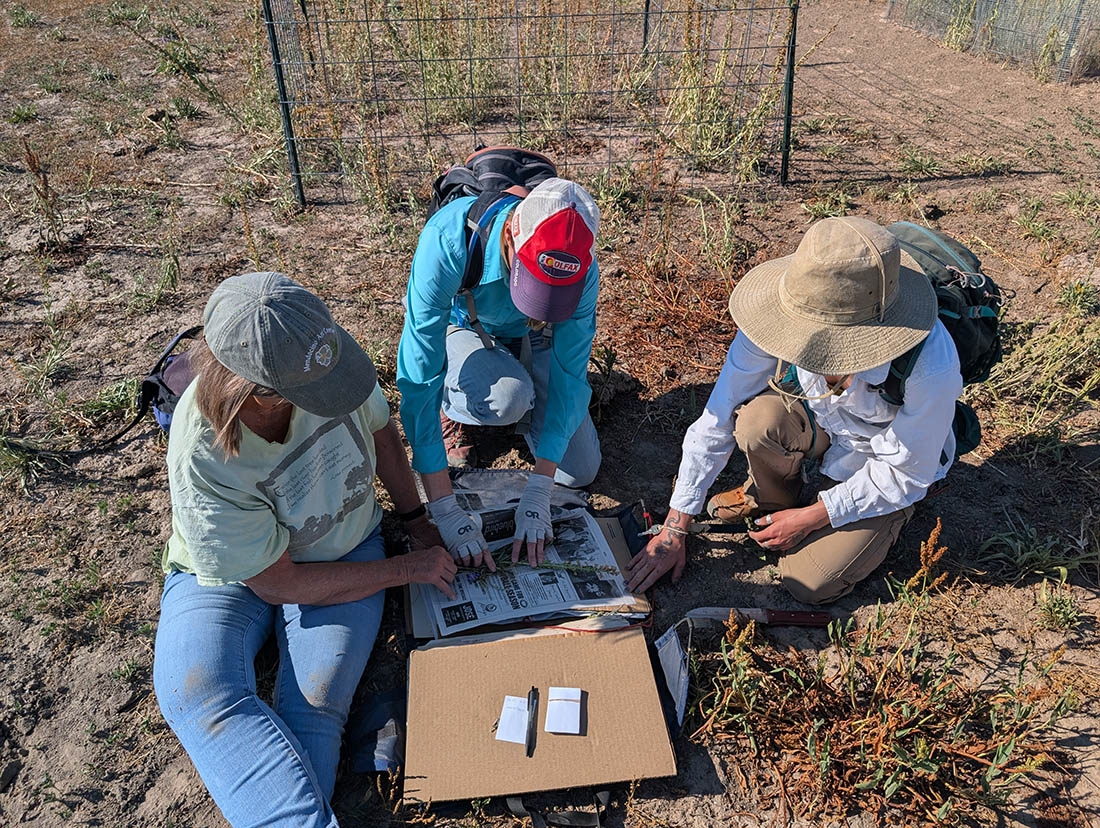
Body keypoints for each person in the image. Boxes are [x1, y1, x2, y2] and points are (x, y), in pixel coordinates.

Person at [153, 272, 456, 828]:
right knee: (194, 692)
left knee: (314, 709)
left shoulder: (325, 356)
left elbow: (383, 436)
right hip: (225, 576)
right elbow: (276, 584)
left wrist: (415, 520)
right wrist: (407, 567)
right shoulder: (201, 449)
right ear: (254, 390)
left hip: (343, 551)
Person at [626, 217, 962, 604]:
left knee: (806, 579)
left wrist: (813, 516)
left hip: (886, 466)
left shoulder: (930, 366)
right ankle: (775, 502)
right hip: (827, 427)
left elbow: (905, 473)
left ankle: (878, 519)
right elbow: (719, 416)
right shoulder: (779, 310)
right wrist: (675, 527)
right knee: (757, 423)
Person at [397, 176, 602, 570]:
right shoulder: (447, 240)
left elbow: (570, 372)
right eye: (533, 284)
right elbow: (418, 374)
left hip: (534, 339)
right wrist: (444, 508)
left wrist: (541, 485)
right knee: (507, 397)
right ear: (511, 234)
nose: (537, 304)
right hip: (467, 329)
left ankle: (521, 402)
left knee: (578, 471)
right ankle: (455, 409)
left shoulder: (583, 269)